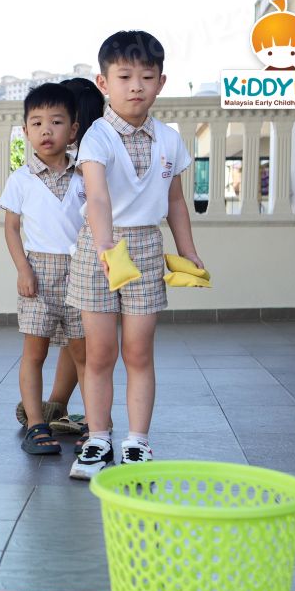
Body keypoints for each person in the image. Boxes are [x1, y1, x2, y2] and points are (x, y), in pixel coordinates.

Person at [67, 31, 203, 480]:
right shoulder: (97, 137)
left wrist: (187, 251)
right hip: (98, 248)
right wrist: (106, 247)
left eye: (147, 76)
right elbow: (98, 197)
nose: (136, 86)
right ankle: (97, 439)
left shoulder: (170, 139)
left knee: (139, 353)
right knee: (100, 354)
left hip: (145, 246)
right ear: (103, 82)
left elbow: (177, 201)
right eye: (124, 76)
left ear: (161, 82)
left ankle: (137, 442)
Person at [0, 83, 89, 455]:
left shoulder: (85, 175)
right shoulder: (21, 179)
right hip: (38, 274)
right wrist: (23, 269)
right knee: (34, 353)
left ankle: (97, 424)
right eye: (36, 123)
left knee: (84, 353)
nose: (46, 130)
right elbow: (11, 228)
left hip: (81, 273)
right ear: (26, 132)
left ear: (73, 130)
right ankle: (37, 424)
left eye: (55, 122)